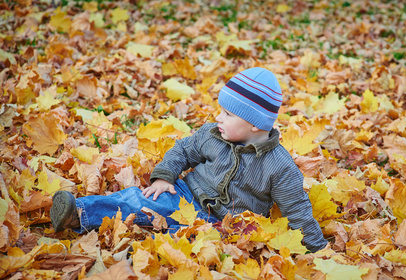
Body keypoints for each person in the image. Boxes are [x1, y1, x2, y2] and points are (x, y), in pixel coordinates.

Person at [50, 67, 328, 252]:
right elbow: (183, 151)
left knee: (194, 243)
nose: (219, 117)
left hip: (228, 224)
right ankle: (78, 213)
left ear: (256, 124)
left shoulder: (279, 166)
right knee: (139, 201)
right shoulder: (212, 134)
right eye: (221, 111)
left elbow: (298, 210)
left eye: (229, 115)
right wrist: (164, 176)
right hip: (185, 194)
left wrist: (318, 250)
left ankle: (151, 243)